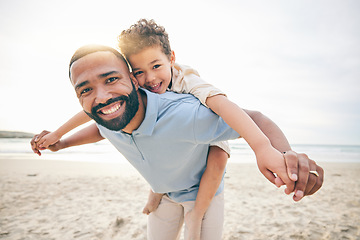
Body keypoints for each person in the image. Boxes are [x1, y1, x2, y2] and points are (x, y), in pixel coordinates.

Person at [31, 44, 323, 240]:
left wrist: (284, 154)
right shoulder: (110, 116)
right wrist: (61, 143)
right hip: (165, 195)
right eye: (86, 90)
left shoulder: (186, 114)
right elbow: (101, 128)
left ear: (133, 81)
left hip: (202, 195)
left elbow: (255, 119)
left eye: (110, 80)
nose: (102, 97)